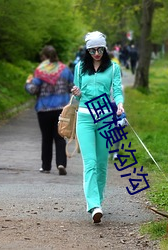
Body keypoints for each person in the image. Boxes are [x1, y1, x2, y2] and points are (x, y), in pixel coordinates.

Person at [71, 31, 124, 223]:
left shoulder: (113, 68)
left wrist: (119, 104)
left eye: (100, 49)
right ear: (87, 50)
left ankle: (98, 201)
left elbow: (116, 90)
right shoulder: (79, 68)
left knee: (102, 163)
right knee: (90, 162)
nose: (96, 53)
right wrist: (76, 92)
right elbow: (77, 97)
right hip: (84, 118)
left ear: (105, 48)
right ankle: (93, 205)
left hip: (105, 118)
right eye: (92, 50)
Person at [25, 45, 74, 175]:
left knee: (46, 138)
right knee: (60, 137)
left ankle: (46, 166)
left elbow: (33, 90)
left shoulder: (40, 71)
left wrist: (28, 83)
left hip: (44, 109)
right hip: (61, 109)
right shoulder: (65, 70)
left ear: (44, 57)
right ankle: (61, 163)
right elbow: (72, 87)